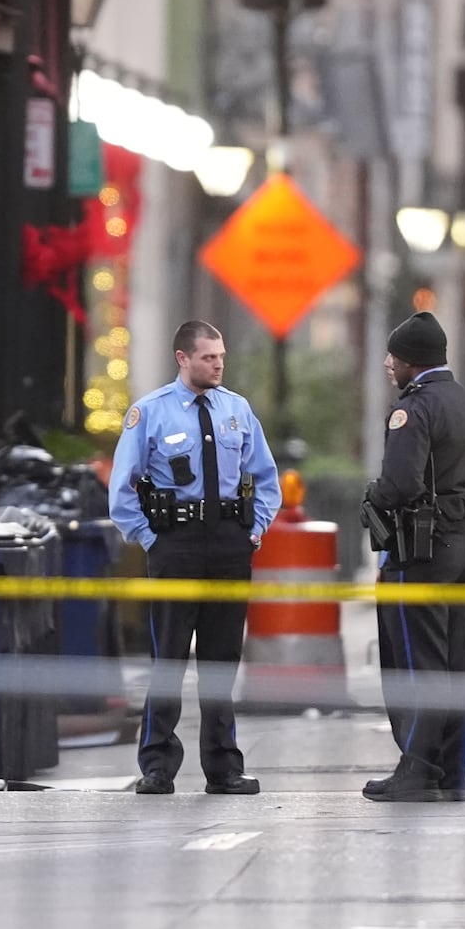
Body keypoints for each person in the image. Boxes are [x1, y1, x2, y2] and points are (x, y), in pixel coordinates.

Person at [110, 320, 282, 795]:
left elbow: (264, 477)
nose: (219, 363)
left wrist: (255, 528)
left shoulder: (236, 410)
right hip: (176, 544)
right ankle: (157, 765)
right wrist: (149, 538)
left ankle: (223, 768)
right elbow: (123, 487)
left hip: (229, 543)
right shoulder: (152, 412)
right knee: (168, 658)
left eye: (221, 355)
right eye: (209, 357)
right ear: (183, 358)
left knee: (221, 660)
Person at [362, 311, 465, 802]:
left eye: (393, 357)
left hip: (418, 553)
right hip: (462, 548)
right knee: (456, 662)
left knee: (416, 664)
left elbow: (400, 485)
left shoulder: (413, 410)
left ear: (410, 363)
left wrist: (373, 494)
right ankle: (452, 773)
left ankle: (417, 769)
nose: (388, 365)